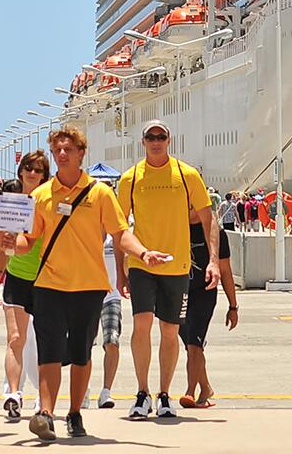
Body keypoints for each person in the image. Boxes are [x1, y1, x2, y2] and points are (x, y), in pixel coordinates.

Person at [13, 127, 170, 443]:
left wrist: (143, 253)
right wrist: (8, 242)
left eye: (68, 149)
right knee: (49, 352)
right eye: (57, 149)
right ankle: (45, 413)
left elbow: (120, 233)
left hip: (89, 286)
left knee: (81, 353)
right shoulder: (41, 196)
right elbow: (27, 241)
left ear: (81, 153)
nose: (62, 154)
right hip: (49, 285)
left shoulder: (99, 193)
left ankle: (74, 413)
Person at [116, 120, 215, 419]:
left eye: (161, 136)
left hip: (177, 264)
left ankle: (164, 394)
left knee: (170, 330)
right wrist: (121, 271)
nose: (156, 141)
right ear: (143, 141)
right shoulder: (130, 178)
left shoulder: (186, 175)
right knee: (142, 324)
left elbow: (208, 219)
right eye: (151, 137)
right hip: (141, 263)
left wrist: (213, 260)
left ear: (169, 140)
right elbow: (119, 228)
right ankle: (142, 392)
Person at [0, 152, 51, 421]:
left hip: (45, 278)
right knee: (15, 338)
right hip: (16, 275)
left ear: (44, 175)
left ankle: (44, 398)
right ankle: (14, 394)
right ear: (20, 171)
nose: (32, 173)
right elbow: (3, 245)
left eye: (38, 170)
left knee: (45, 341)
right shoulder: (11, 202)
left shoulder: (49, 202)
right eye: (28, 168)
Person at [178, 205, 237, 408]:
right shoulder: (175, 227)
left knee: (194, 343)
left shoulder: (216, 234)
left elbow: (225, 271)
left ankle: (189, 392)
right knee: (191, 345)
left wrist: (233, 306)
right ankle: (205, 388)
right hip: (180, 292)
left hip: (205, 292)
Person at [97, 229, 123, 409]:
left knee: (112, 341)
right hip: (87, 293)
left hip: (112, 295)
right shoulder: (88, 227)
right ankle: (83, 391)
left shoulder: (120, 230)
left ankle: (106, 391)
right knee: (83, 346)